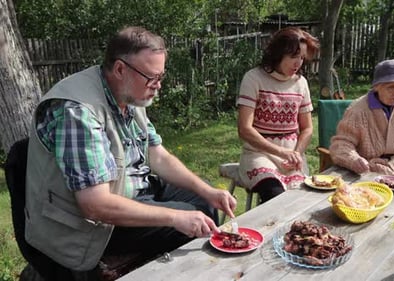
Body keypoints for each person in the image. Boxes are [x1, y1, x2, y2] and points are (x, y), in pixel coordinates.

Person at [24, 26, 237, 278]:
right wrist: (174, 217)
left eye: (161, 76)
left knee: (203, 203)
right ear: (120, 69)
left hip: (132, 192)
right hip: (88, 227)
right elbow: (95, 205)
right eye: (152, 77)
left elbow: (158, 155)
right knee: (188, 222)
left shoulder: (128, 93)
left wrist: (208, 191)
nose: (158, 86)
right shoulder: (77, 112)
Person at [236, 27, 320, 203]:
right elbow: (244, 129)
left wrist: (297, 153)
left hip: (291, 158)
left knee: (301, 198)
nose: (298, 64)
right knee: (276, 197)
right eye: (293, 57)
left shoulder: (301, 83)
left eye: (302, 58)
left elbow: (307, 128)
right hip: (258, 155)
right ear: (278, 53)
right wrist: (281, 151)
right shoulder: (253, 78)